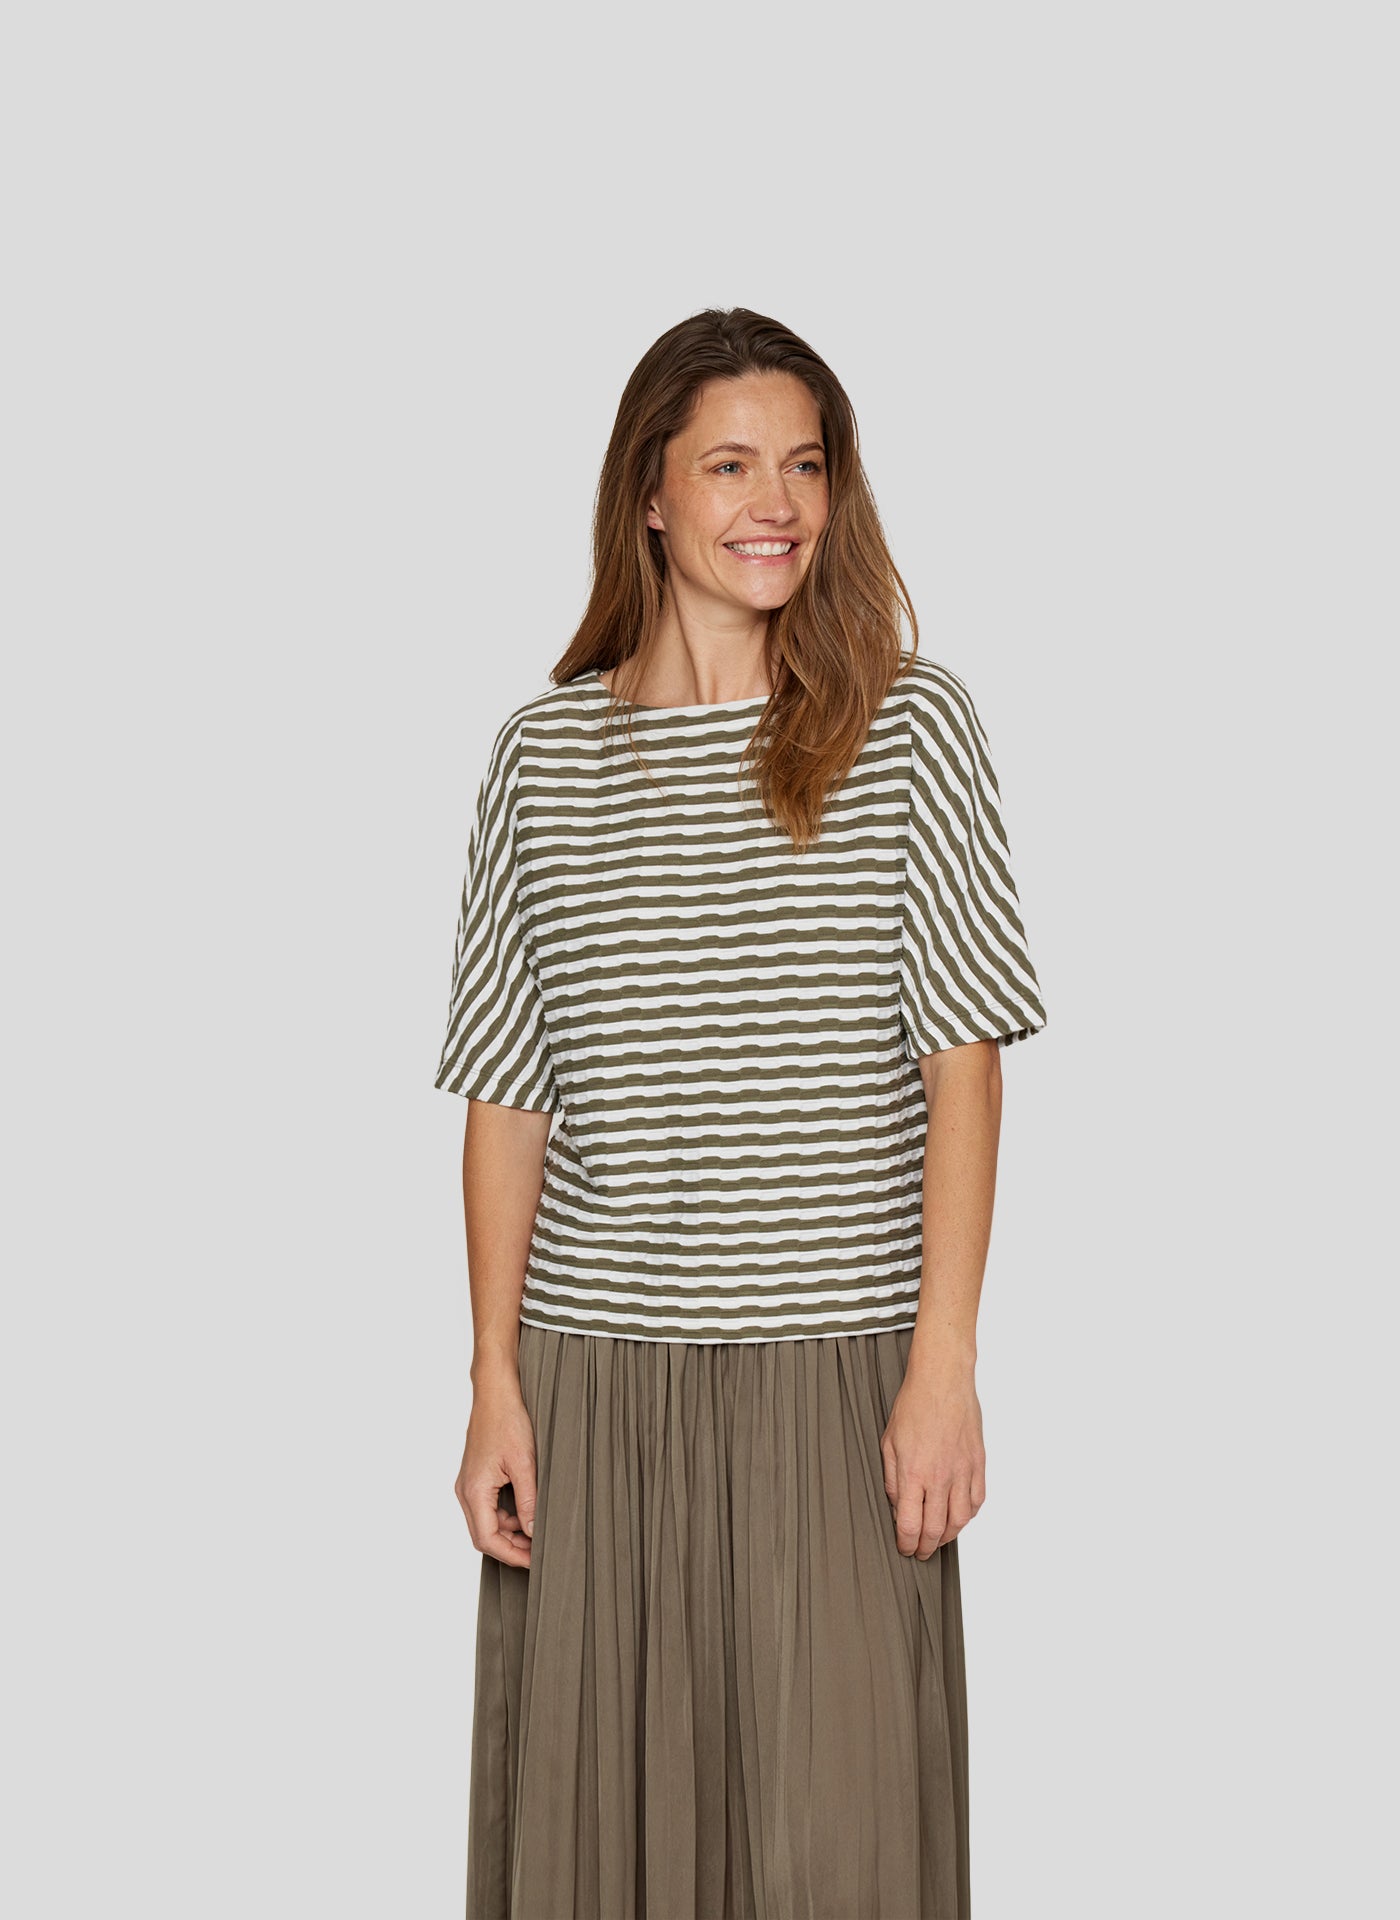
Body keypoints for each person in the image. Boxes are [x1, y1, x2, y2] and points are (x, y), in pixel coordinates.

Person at [433, 306, 1048, 1920]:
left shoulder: (908, 728)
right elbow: (508, 1090)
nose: (777, 502)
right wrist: (494, 1381)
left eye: (806, 464)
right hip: (596, 1381)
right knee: (598, 1857)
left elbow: (966, 1062)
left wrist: (944, 1363)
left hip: (838, 1375)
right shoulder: (543, 760)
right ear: (649, 494)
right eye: (730, 465)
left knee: (839, 1854)